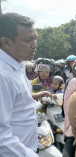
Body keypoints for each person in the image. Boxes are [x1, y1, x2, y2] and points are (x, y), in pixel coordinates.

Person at [0, 13, 38, 156]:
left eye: (35, 39)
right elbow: (1, 137)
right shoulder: (2, 75)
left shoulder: (18, 65)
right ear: (6, 42)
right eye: (28, 40)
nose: (34, 45)